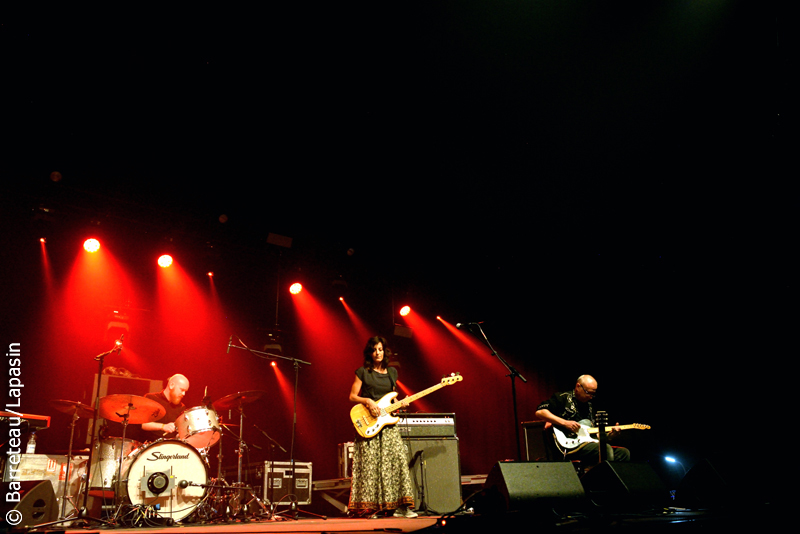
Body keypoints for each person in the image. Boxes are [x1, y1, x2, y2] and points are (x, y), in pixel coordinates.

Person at [348, 336, 416, 518]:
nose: (378, 353)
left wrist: (401, 403)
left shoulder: (392, 372)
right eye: (374, 350)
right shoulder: (362, 372)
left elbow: (392, 398)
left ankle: (401, 507)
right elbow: (352, 396)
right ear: (369, 352)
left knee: (398, 463)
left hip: (388, 425)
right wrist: (367, 400)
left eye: (381, 349)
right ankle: (371, 508)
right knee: (371, 467)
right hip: (369, 424)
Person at [535, 374, 630, 465]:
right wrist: (565, 423)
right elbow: (540, 412)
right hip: (569, 444)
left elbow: (593, 434)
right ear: (578, 386)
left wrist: (609, 436)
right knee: (605, 449)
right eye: (588, 393)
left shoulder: (589, 406)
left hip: (587, 443)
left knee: (623, 453)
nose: (591, 397)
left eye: (593, 394)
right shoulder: (562, 397)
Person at [141, 374, 190, 442]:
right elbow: (143, 425)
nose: (184, 394)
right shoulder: (151, 398)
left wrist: (180, 435)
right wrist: (163, 426)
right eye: (182, 390)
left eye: (185, 391)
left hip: (170, 447)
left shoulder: (181, 407)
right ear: (171, 385)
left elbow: (178, 432)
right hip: (149, 444)